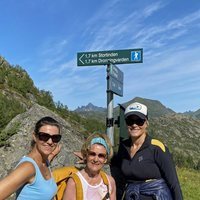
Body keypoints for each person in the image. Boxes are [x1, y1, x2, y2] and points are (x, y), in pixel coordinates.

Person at [110, 102, 183, 200]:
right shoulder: (123, 147)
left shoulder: (156, 147)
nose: (134, 125)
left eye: (139, 121)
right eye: (130, 121)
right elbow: (120, 180)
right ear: (126, 123)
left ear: (146, 123)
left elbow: (174, 184)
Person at [0, 116, 62, 200]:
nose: (50, 142)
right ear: (34, 136)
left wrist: (53, 154)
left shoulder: (45, 162)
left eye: (55, 138)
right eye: (44, 136)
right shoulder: (28, 167)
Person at [63, 132, 116, 200]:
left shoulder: (110, 182)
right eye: (92, 154)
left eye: (101, 156)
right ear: (86, 155)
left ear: (105, 159)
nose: (96, 159)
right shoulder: (74, 182)